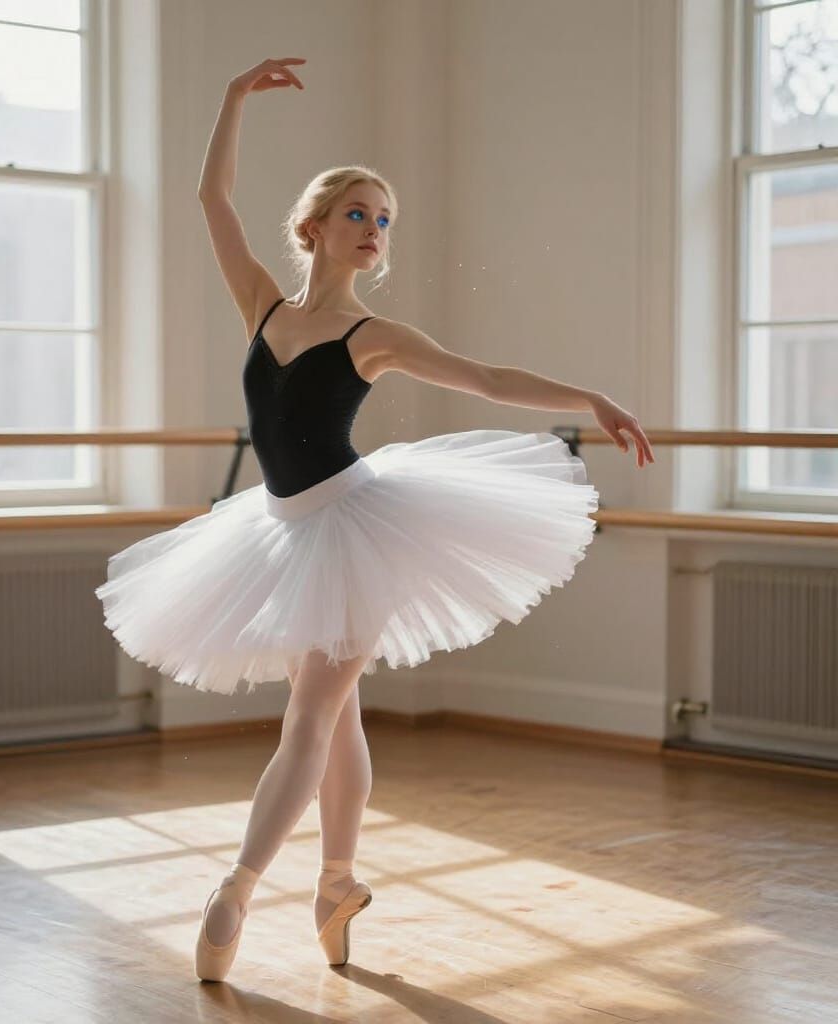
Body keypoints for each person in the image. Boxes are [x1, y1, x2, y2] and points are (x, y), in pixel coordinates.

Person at [95, 57, 654, 983]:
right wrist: (233, 100)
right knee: (337, 713)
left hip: (358, 530)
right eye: (358, 213)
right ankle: (337, 882)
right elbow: (211, 200)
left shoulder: (377, 337)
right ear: (312, 229)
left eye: (385, 221)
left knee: (311, 715)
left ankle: (237, 885)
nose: (374, 231)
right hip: (280, 530)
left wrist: (587, 395)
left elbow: (485, 379)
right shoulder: (263, 308)